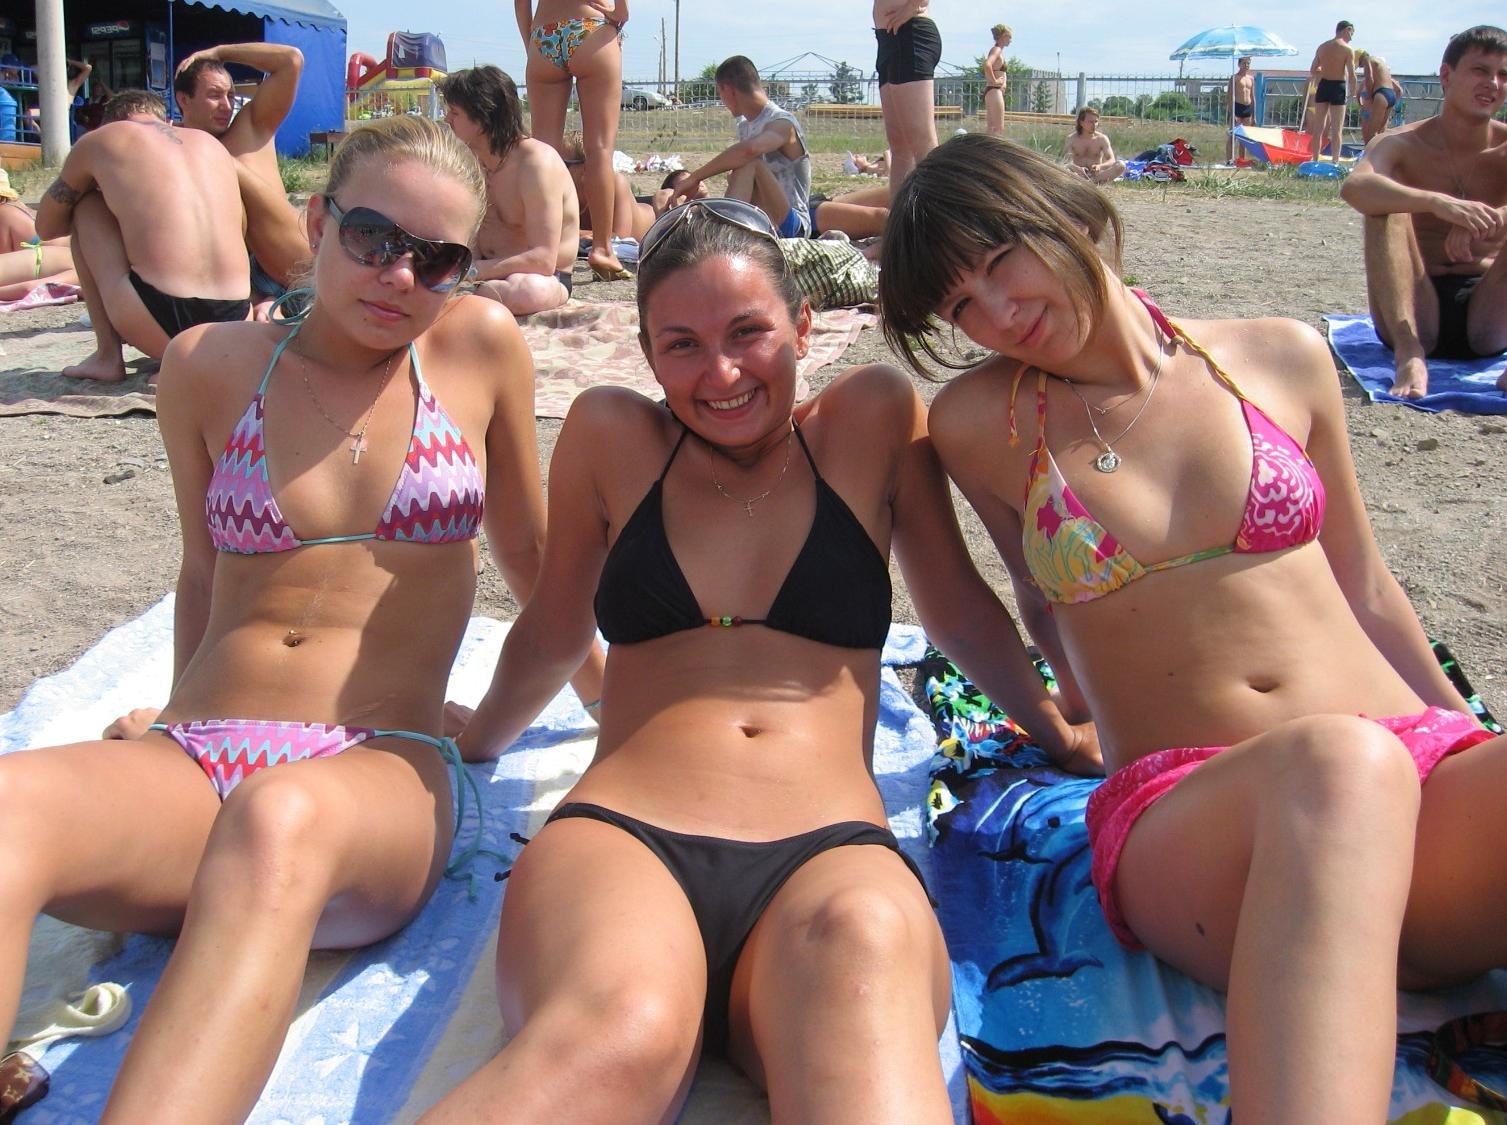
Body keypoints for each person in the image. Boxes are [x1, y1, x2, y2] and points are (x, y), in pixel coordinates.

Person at [417, 197, 1096, 1122]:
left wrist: (1057, 731)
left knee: (862, 1007)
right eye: (682, 345)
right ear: (646, 352)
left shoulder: (870, 420)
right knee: (621, 1032)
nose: (722, 373)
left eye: (748, 332)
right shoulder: (610, 434)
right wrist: (475, 742)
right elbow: (552, 629)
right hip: (624, 837)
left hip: (828, 852)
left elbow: (959, 613)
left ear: (805, 325)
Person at [881, 131, 1507, 1124]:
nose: (997, 314)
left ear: (1064, 214)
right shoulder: (979, 423)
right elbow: (997, 605)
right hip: (1196, 816)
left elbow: (1365, 585)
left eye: (1001, 262)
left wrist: (1472, 743)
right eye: (960, 306)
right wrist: (1056, 729)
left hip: (1409, 775)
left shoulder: (1281, 354)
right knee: (1339, 766)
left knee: (1374, 766)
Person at [0, 115, 603, 1121]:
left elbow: (536, 565)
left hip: (373, 770)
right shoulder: (205, 363)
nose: (399, 276)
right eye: (373, 238)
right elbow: (205, 569)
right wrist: (170, 713)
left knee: (278, 818)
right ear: (319, 223)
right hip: (201, 756)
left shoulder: (476, 347)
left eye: (436, 259)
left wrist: (578, 707)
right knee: (11, 801)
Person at [34, 90, 250, 382]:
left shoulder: (102, 139)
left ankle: (107, 357)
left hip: (161, 318)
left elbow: (46, 227)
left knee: (86, 206)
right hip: (236, 322)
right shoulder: (211, 144)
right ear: (166, 121)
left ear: (111, 122)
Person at [1339, 25, 1507, 398]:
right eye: (1480, 70)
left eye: (1503, 74)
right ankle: (1409, 355)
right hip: (1415, 310)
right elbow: (1355, 187)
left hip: (1491, 313)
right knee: (1386, 206)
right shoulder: (1402, 143)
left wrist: (1489, 219)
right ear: (1446, 75)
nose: (1493, 83)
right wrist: (1436, 203)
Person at [174, 42, 309, 318]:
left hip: (296, 274)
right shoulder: (171, 148)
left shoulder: (250, 128)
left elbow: (290, 60)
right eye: (214, 95)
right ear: (183, 100)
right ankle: (264, 302)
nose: (226, 106)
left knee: (220, 162)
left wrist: (219, 53)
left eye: (231, 96)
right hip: (235, 285)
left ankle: (269, 302)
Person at [440, 65, 580, 314]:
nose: (447, 120)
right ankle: (476, 299)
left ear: (482, 118)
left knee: (528, 291)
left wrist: (469, 272)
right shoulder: (469, 160)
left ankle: (475, 301)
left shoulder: (536, 163)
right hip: (482, 275)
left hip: (540, 278)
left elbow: (543, 259)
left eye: (454, 112)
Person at [516, 0, 630, 281]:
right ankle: (602, 249)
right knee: (599, 150)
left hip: (543, 33)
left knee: (543, 155)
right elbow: (621, 11)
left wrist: (532, 42)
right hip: (591, 29)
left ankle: (543, 247)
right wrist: (620, 13)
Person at [669, 56, 813, 238]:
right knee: (739, 170)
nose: (723, 102)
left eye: (720, 94)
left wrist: (695, 177)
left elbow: (749, 151)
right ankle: (725, 230)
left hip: (793, 226)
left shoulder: (782, 122)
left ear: (728, 90)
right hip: (762, 220)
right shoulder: (746, 126)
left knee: (749, 163)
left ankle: (724, 235)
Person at [874, 1, 940, 193]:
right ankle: (899, 211)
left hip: (911, 31)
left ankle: (936, 208)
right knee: (899, 146)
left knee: (923, 143)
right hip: (887, 38)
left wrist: (913, 6)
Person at [561, 128, 654, 241]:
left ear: (586, 166)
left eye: (563, 164)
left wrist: (570, 232)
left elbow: (620, 238)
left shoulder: (615, 183)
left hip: (654, 223)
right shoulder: (560, 192)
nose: (556, 169)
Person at [0, 170, 76, 301]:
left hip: (60, 255)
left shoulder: (4, 215)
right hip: (68, 250)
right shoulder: (16, 208)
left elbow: (7, 264)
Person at [1308, 20, 1357, 163]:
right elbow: (1352, 74)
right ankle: (1335, 161)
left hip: (1324, 85)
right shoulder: (1347, 49)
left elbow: (1313, 69)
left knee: (1318, 127)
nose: (1351, 37)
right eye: (1351, 33)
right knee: (1337, 129)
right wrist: (1353, 91)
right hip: (1338, 86)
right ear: (1347, 30)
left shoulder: (1322, 47)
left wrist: (1324, 70)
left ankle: (1315, 160)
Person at [1062, 106, 1126, 184]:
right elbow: (1065, 161)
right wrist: (1076, 168)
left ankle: (1091, 183)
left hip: (1097, 176)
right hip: (1077, 175)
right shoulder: (1071, 139)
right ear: (1081, 123)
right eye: (1090, 122)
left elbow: (1111, 160)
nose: (1094, 125)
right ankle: (1084, 183)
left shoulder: (1102, 139)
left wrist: (1100, 166)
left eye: (1096, 121)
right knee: (1063, 168)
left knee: (1121, 165)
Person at [1356, 50, 1406, 143]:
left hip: (1381, 95)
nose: (1361, 67)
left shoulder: (1367, 60)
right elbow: (1399, 90)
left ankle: (1371, 152)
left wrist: (1370, 96)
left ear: (1360, 59)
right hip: (1390, 94)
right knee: (1381, 131)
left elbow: (1369, 78)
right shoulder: (1380, 63)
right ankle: (1382, 151)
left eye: (1360, 65)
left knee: (1371, 133)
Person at [983, 23, 1011, 138]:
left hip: (992, 91)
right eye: (1009, 37)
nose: (1010, 40)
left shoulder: (998, 50)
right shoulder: (997, 50)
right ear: (1003, 36)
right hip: (995, 90)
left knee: (992, 128)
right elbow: (987, 65)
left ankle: (986, 148)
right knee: (998, 129)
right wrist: (995, 81)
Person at [1227, 56, 1255, 161]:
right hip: (1237, 107)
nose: (1246, 65)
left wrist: (1254, 115)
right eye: (1244, 63)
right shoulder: (1235, 78)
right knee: (1233, 136)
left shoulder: (1251, 78)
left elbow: (1253, 97)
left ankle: (1241, 160)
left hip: (1247, 108)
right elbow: (1230, 96)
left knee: (1244, 138)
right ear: (1239, 64)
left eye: (1248, 63)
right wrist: (1232, 113)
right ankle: (1229, 160)